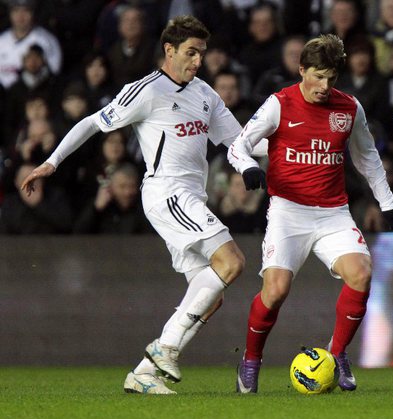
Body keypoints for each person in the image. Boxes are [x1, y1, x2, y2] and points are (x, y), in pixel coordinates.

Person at [20, 15, 264, 395]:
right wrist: (52, 162)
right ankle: (165, 347)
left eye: (202, 52)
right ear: (170, 50)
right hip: (167, 193)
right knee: (232, 262)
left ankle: (144, 373)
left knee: (209, 298)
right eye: (191, 52)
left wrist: (294, 147)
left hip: (191, 197)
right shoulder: (146, 90)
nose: (198, 60)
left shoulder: (205, 93)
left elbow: (241, 141)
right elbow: (91, 123)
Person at [227, 34, 393, 394]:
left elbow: (367, 158)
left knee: (361, 274)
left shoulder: (349, 108)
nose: (324, 86)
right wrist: (248, 166)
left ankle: (336, 354)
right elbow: (238, 146)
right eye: (318, 77)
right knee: (275, 291)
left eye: (331, 79)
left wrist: (388, 202)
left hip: (333, 213)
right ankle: (250, 360)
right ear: (302, 70)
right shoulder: (279, 104)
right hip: (288, 212)